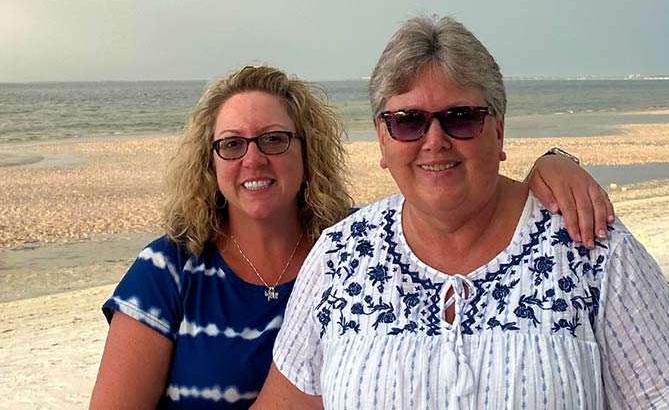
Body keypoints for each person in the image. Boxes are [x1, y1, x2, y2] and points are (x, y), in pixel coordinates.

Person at [254, 16, 669, 409]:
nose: (434, 140)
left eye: (462, 117)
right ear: (383, 141)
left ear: (498, 132)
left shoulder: (590, 249)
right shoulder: (342, 257)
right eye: (408, 121)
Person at [89, 64, 613, 410]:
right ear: (211, 163)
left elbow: (450, 209)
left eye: (274, 139)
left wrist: (553, 164)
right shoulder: (170, 271)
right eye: (231, 144)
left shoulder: (354, 255)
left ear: (306, 150)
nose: (253, 158)